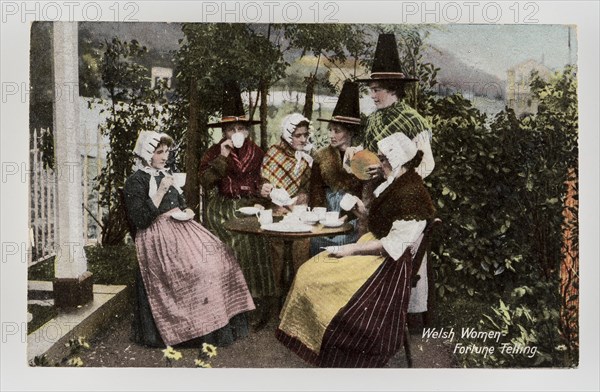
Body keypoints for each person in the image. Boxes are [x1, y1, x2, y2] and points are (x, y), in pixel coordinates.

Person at [275, 132, 436, 367]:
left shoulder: (412, 194)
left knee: (316, 277)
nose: (379, 163)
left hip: (388, 265)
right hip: (374, 248)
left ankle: (336, 343)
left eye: (383, 159)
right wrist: (361, 211)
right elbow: (383, 222)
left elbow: (393, 244)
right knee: (312, 267)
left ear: (397, 160)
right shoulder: (396, 182)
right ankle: (319, 340)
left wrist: (350, 250)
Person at [124, 130, 255, 348]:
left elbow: (180, 203)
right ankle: (196, 330)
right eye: (159, 152)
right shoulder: (136, 181)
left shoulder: (166, 175)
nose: (165, 156)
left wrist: (187, 210)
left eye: (166, 151)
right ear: (147, 154)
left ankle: (219, 324)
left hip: (182, 228)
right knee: (200, 270)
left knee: (223, 258)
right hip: (156, 236)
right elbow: (140, 220)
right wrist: (159, 193)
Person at [356, 33, 436, 317]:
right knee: (373, 246)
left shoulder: (413, 119)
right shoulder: (373, 119)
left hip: (405, 194)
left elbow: (427, 164)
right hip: (376, 193)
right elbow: (367, 156)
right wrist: (367, 166)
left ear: (393, 88)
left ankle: (410, 315)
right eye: (371, 89)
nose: (372, 95)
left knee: (406, 250)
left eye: (377, 89)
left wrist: (399, 179)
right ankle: (374, 312)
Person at [199, 81, 276, 329]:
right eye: (232, 129)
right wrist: (222, 158)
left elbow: (265, 178)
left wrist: (264, 188)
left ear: (247, 131)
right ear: (224, 132)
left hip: (250, 205)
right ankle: (235, 305)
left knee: (258, 238)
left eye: (241, 128)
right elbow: (206, 182)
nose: (237, 133)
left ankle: (259, 301)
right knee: (237, 240)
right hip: (221, 208)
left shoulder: (258, 152)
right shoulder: (214, 152)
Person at [260, 113, 313, 296]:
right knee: (276, 246)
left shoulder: (306, 158)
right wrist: (277, 200)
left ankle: (297, 294)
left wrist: (302, 197)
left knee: (302, 244)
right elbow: (266, 185)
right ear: (287, 134)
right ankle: (274, 295)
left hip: (298, 211)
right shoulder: (274, 153)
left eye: (305, 135)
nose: (303, 139)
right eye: (298, 135)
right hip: (277, 209)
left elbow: (306, 187)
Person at [308, 81, 364, 256]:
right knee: (318, 244)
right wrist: (320, 214)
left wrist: (349, 216)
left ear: (350, 132)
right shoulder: (322, 155)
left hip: (352, 216)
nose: (332, 135)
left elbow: (364, 193)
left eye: (337, 131)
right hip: (326, 215)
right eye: (330, 130)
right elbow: (316, 189)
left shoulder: (362, 156)